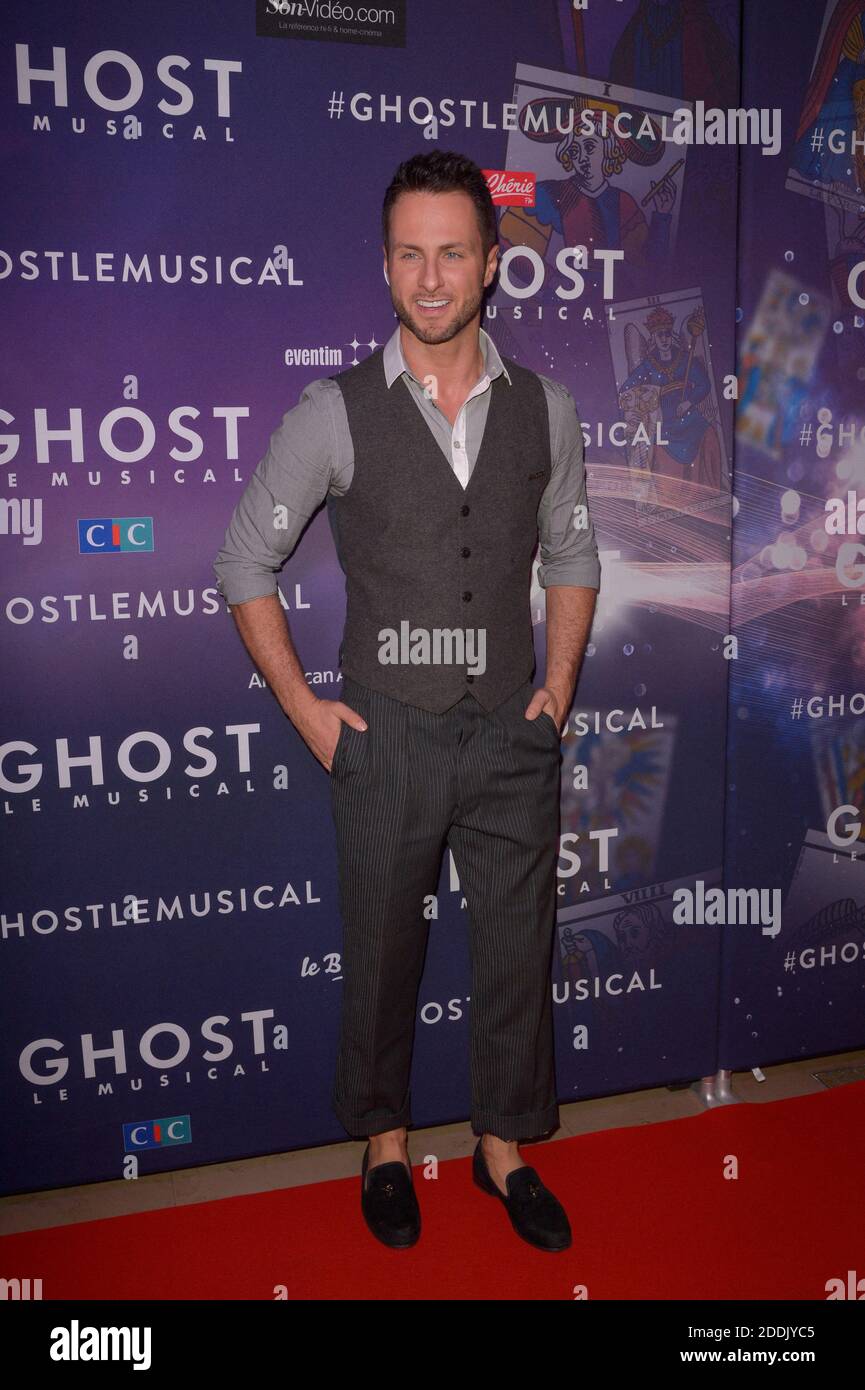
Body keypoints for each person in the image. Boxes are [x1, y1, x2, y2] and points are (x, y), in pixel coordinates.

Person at [213, 150, 601, 1252]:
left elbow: (572, 555)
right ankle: (385, 1146)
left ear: (489, 266)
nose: (431, 278)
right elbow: (245, 562)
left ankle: (502, 1149)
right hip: (384, 734)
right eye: (409, 255)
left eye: (453, 254)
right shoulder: (331, 411)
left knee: (517, 946)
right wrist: (305, 708)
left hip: (510, 732)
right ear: (387, 266)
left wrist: (558, 688)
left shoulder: (550, 409)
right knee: (383, 949)